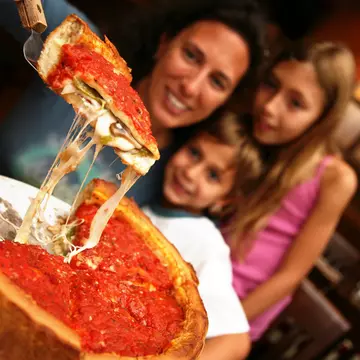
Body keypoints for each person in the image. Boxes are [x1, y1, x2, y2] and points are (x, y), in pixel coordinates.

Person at [0, 0, 265, 205]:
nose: (191, 86)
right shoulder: (82, 55)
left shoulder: (183, 173)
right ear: (164, 43)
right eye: (191, 55)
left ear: (226, 100)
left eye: (217, 82)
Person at [224, 42, 358, 342]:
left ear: (322, 119)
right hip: (202, 268)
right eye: (271, 85)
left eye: (295, 103)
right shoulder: (255, 136)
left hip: (237, 307)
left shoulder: (335, 178)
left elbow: (290, 276)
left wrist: (224, 324)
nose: (270, 106)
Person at [142, 111, 262, 359]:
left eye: (213, 176)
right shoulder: (149, 204)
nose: (191, 173)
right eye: (194, 153)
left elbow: (235, 341)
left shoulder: (205, 242)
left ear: (224, 200)